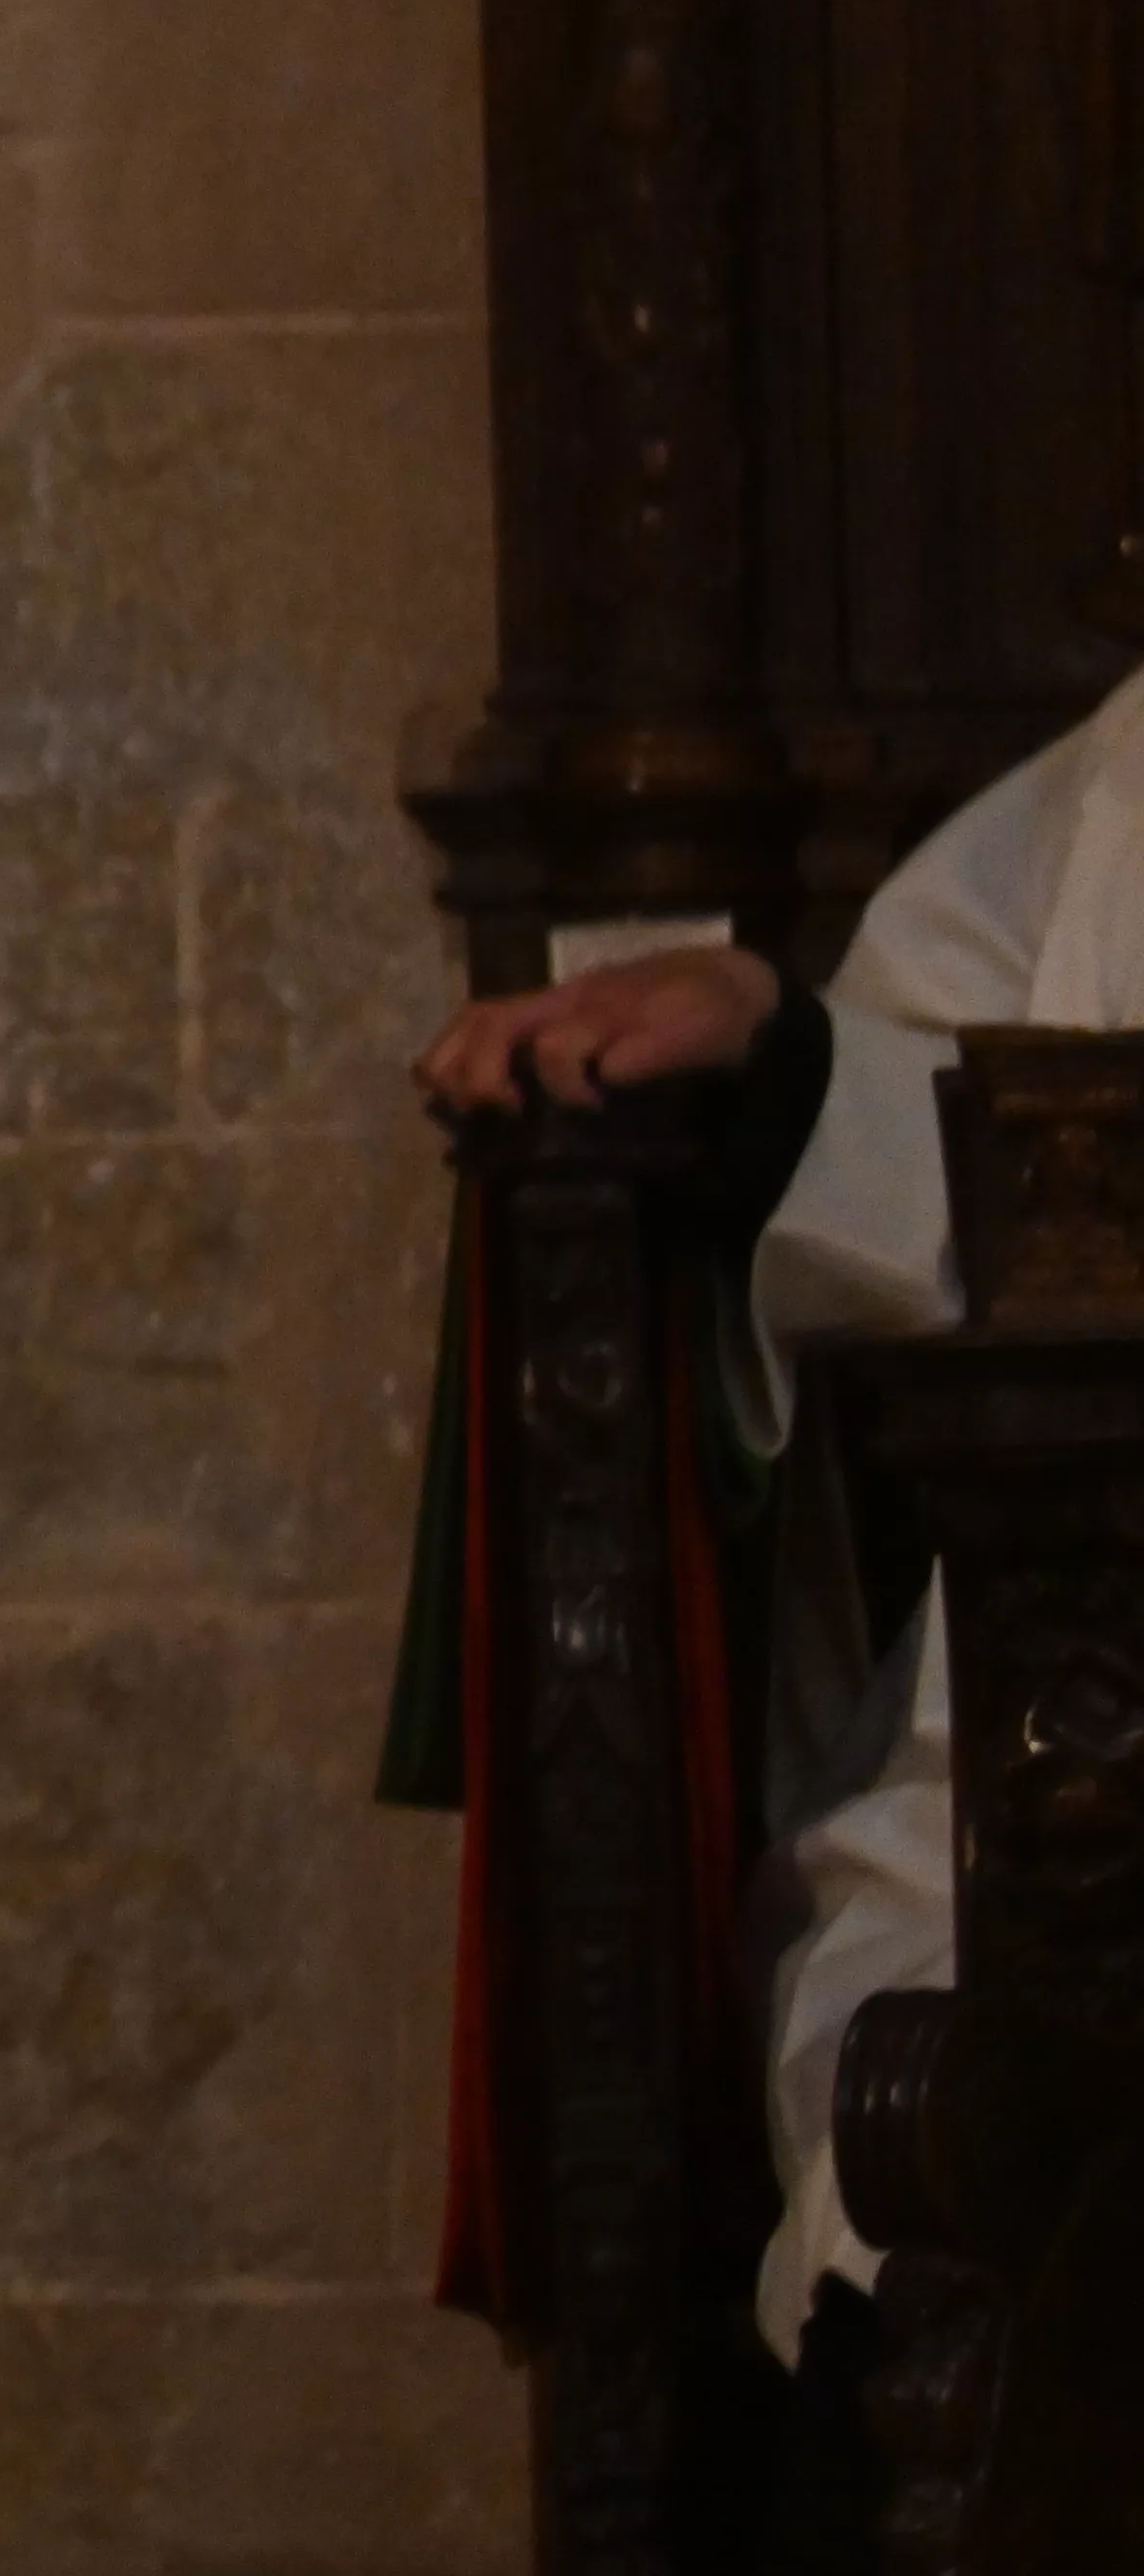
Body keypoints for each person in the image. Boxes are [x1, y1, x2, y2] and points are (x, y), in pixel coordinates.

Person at [414, 674, 1144, 2375]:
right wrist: (779, 1060)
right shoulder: (1122, 797)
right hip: (1084, 1744)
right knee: (957, 2082)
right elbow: (994, 1139)